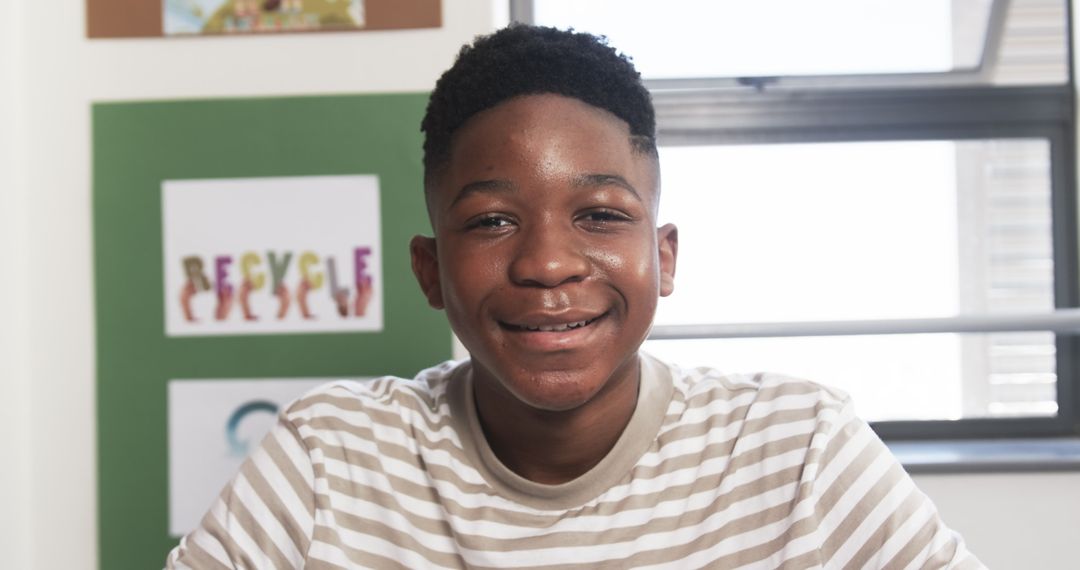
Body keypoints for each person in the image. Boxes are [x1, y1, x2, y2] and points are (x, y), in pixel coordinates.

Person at [167, 25, 984, 569]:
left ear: (663, 258)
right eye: (491, 221)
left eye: (599, 215)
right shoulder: (331, 460)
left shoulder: (797, 449)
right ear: (429, 270)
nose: (548, 264)